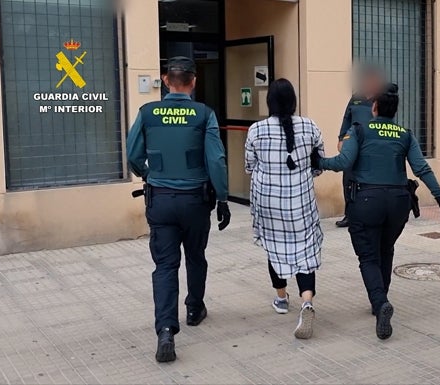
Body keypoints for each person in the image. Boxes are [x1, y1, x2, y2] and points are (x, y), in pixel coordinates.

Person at [312, 83, 440, 340]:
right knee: (386, 249)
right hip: (399, 202)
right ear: (395, 110)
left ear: (374, 107)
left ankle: (380, 304)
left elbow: (343, 162)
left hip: (366, 201)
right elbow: (421, 169)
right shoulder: (405, 134)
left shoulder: (360, 131)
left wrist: (318, 161)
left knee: (368, 256)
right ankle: (382, 298)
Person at [126, 56, 231, 362]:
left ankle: (166, 330)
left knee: (165, 265)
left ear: (166, 80)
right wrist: (222, 197)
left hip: (160, 199)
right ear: (194, 81)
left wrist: (150, 174)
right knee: (196, 256)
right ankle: (195, 308)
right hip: (195, 201)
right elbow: (216, 160)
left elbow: (133, 155)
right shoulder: (203, 114)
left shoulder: (148, 112)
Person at [245, 78, 325, 339]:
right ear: (293, 101)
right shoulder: (310, 126)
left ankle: (281, 299)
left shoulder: (256, 130)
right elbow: (319, 165)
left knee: (275, 247)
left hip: (268, 202)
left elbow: (249, 166)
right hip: (301, 202)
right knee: (305, 250)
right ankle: (307, 301)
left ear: (269, 101)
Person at [335, 65, 385, 227]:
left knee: (370, 182)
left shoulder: (382, 99)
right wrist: (341, 138)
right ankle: (349, 215)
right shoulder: (356, 97)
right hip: (352, 145)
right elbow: (346, 118)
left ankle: (371, 214)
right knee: (348, 179)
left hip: (372, 148)